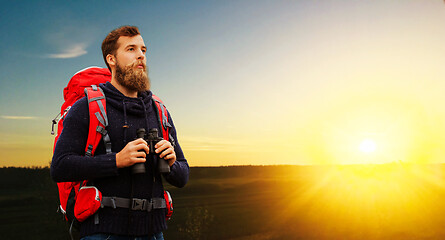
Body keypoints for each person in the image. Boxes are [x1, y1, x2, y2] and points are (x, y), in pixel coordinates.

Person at [51, 26, 189, 240]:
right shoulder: (87, 106)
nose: (141, 55)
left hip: (154, 233)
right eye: (131, 49)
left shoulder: (159, 110)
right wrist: (116, 161)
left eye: (143, 49)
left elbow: (183, 176)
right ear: (111, 59)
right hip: (103, 233)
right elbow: (60, 167)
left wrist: (171, 164)